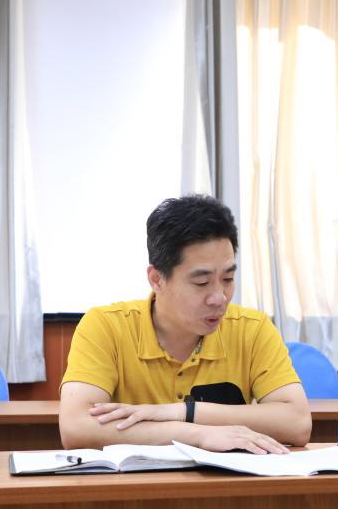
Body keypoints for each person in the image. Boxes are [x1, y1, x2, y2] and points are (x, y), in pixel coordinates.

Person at [59, 194, 311, 454]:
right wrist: (197, 434)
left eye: (228, 278)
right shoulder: (106, 327)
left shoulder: (252, 329)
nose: (219, 298)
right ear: (157, 279)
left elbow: (297, 422)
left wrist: (185, 411)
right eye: (201, 282)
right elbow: (76, 427)